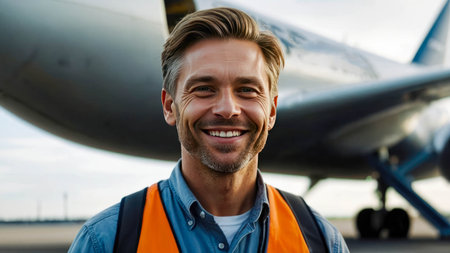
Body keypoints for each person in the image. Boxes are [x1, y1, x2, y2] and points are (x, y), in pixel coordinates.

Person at [69, 7, 349, 253]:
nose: (228, 109)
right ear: (169, 106)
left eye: (247, 90)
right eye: (204, 89)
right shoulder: (105, 242)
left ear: (272, 110)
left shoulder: (322, 241)